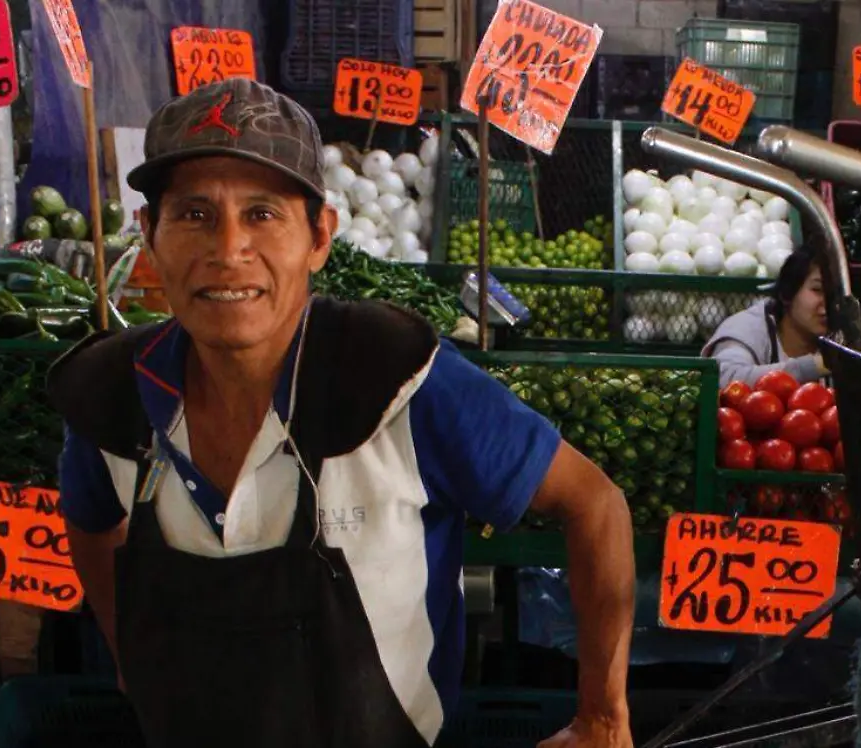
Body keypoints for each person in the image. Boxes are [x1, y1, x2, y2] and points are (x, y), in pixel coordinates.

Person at [50, 80, 635, 748]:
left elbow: (595, 503)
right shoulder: (111, 396)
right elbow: (90, 519)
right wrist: (128, 656)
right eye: (194, 214)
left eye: (263, 213)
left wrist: (604, 718)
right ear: (149, 233)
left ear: (319, 237)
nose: (229, 248)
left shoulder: (399, 380)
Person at [702, 246, 829, 387]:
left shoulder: (841, 334)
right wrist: (818, 365)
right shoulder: (747, 328)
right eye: (817, 290)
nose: (829, 303)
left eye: (835, 293)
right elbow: (726, 377)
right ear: (787, 292)